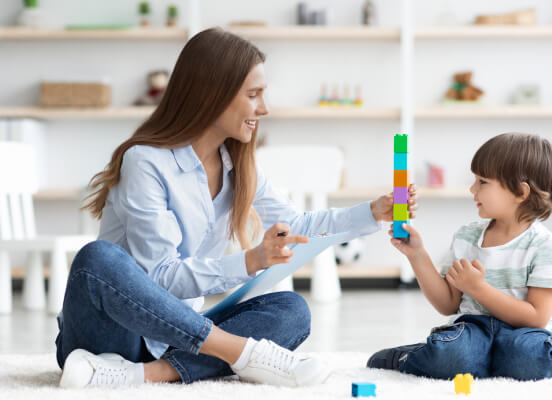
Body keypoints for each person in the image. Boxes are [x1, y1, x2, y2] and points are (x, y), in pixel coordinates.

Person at [55, 27, 418, 388]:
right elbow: (161, 278)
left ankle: (141, 375)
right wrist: (251, 261)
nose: (264, 108)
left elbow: (296, 222)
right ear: (212, 95)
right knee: (97, 258)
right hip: (111, 333)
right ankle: (241, 354)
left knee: (291, 311)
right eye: (254, 95)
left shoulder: (239, 166)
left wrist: (374, 212)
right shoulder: (146, 161)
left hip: (173, 338)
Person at [366, 133, 552, 381]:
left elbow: (536, 317)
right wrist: (417, 254)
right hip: (473, 329)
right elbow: (447, 304)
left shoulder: (546, 246)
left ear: (521, 192)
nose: (472, 189)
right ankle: (415, 356)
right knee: (454, 354)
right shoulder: (467, 237)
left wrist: (478, 289)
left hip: (524, 334)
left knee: (528, 360)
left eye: (482, 182)